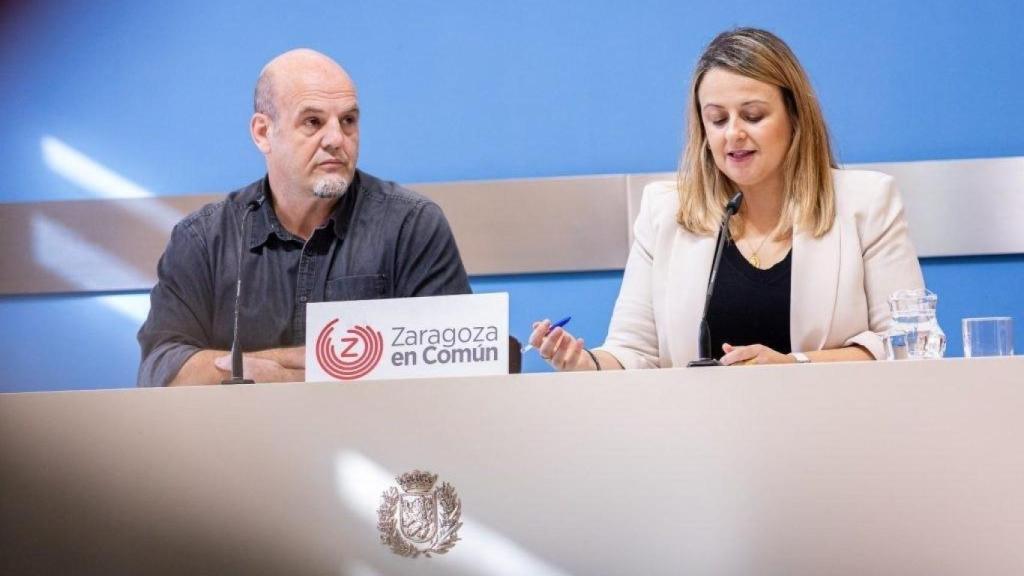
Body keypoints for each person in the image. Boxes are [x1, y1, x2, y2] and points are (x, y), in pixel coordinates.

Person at [530, 27, 924, 370]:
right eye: (717, 120)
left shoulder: (866, 203)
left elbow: (908, 344)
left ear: (795, 117)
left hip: (835, 436)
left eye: (752, 115)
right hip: (701, 444)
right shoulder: (665, 211)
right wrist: (586, 362)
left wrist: (794, 366)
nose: (732, 134)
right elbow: (633, 352)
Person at [137, 49, 471, 387]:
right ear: (263, 133)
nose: (336, 139)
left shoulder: (410, 225)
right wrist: (281, 368)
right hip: (243, 437)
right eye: (312, 122)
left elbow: (457, 366)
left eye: (348, 121)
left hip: (376, 434)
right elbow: (162, 368)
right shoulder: (205, 239)